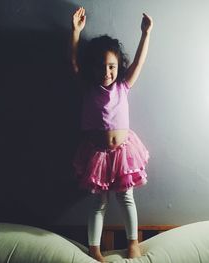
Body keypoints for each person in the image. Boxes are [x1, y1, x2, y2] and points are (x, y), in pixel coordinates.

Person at [69, 6, 153, 262]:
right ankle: (94, 247)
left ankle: (133, 243)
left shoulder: (123, 86)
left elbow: (139, 62)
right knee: (98, 203)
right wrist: (75, 32)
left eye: (112, 67)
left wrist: (145, 34)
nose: (107, 73)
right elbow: (74, 63)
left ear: (119, 67)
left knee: (126, 197)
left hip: (123, 151)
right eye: (102, 67)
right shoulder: (88, 87)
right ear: (92, 68)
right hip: (98, 154)